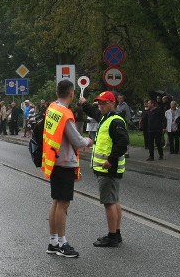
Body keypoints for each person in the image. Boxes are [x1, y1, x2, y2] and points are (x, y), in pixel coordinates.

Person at [42, 80, 93, 258]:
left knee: (56, 201)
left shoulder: (52, 108)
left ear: (57, 93)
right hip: (64, 162)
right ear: (71, 94)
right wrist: (88, 141)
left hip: (54, 160)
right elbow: (77, 141)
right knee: (63, 204)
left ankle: (53, 241)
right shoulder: (65, 113)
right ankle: (62, 244)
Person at [80, 91, 128, 247]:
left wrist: (111, 160)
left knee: (109, 203)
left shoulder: (115, 121)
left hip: (108, 169)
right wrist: (83, 104)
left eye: (103, 103)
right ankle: (116, 233)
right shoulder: (104, 118)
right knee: (114, 201)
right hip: (105, 168)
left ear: (112, 103)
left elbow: (122, 143)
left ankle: (112, 236)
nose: (100, 106)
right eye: (99, 103)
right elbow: (93, 111)